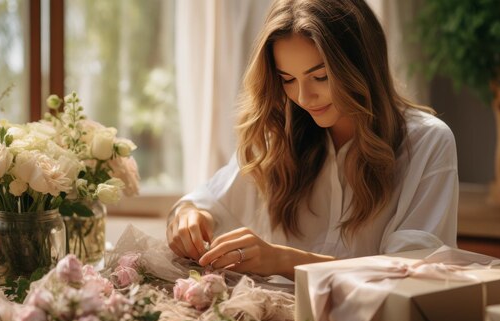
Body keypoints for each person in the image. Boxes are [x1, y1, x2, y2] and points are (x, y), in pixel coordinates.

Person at [166, 0, 458, 280]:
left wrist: (283, 261)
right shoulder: (279, 136)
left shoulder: (427, 142)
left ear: (361, 66)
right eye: (288, 79)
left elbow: (411, 273)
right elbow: (204, 202)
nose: (304, 98)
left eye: (320, 77)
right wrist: (190, 216)